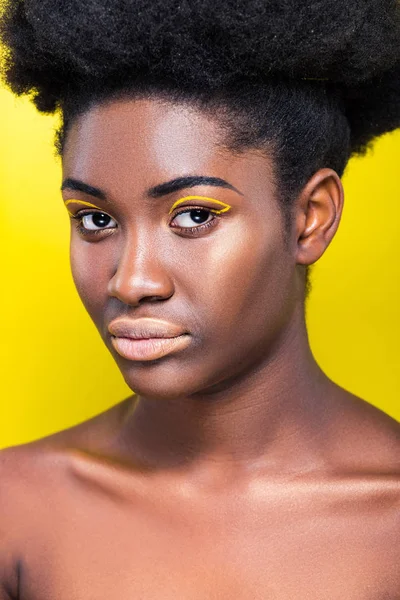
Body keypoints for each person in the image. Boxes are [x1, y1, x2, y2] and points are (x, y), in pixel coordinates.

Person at [0, 0, 399, 597]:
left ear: (310, 218)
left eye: (192, 216)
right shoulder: (17, 512)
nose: (131, 282)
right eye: (95, 220)